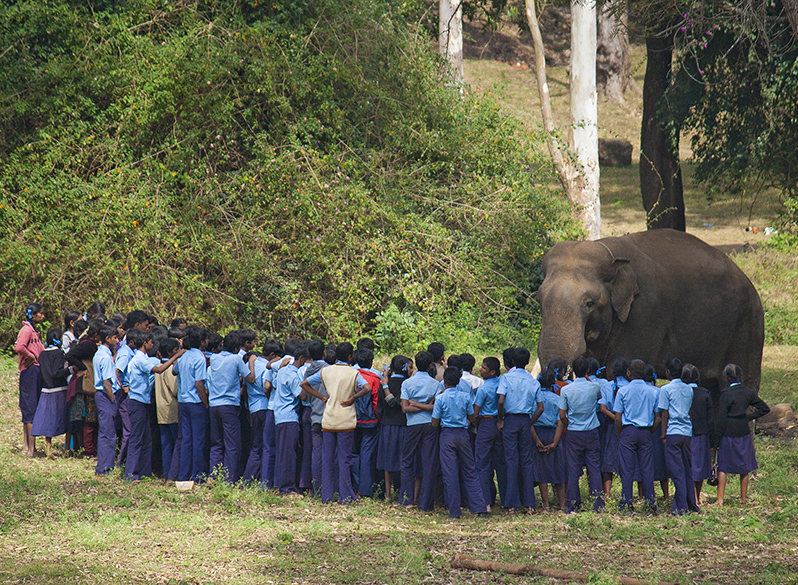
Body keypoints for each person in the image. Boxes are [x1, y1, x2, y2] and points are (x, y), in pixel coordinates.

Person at [301, 342, 372, 503]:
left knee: (327, 458)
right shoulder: (353, 373)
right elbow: (367, 387)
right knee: (345, 458)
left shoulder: (326, 371)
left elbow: (304, 384)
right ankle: (345, 495)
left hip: (328, 419)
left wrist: (322, 397)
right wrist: (353, 398)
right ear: (350, 357)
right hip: (346, 419)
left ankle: (326, 495)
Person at [125, 330, 184, 481]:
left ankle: (144, 472)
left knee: (146, 439)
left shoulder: (142, 358)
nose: (153, 344)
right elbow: (159, 370)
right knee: (137, 439)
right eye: (151, 342)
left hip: (143, 401)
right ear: (145, 343)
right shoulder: (140, 359)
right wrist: (176, 357)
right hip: (137, 401)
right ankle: (131, 474)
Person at [432, 366, 489, 518]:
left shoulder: (440, 398)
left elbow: (435, 423)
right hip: (463, 434)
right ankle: (479, 507)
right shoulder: (465, 397)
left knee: (450, 473)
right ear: (458, 381)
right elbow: (472, 417)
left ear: (444, 381)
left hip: (447, 435)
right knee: (470, 470)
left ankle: (454, 511)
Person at [549, 357, 603, 513]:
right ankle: (598, 504)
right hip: (591, 430)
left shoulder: (566, 389)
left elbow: (562, 414)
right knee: (594, 467)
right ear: (587, 370)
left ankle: (573, 504)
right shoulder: (595, 386)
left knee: (573, 469)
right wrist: (587, 378)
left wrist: (568, 424)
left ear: (572, 371)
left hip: (573, 431)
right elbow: (599, 399)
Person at [712, 364, 770, 505]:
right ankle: (743, 498)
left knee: (723, 466)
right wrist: (748, 417)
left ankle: (720, 499)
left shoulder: (725, 394)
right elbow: (764, 408)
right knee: (744, 467)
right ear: (740, 377)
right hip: (743, 431)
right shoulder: (748, 392)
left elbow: (721, 419)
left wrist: (716, 440)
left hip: (728, 431)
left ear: (727, 378)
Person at [206, 331, 256, 483]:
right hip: (229, 405)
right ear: (236, 348)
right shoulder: (236, 359)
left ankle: (213, 476)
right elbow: (250, 378)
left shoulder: (214, 358)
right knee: (232, 444)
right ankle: (229, 479)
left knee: (216, 443)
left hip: (214, 404)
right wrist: (252, 362)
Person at [614, 359, 660, 513]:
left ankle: (627, 504)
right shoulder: (653, 391)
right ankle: (650, 505)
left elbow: (617, 417)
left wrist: (620, 434)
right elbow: (658, 418)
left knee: (627, 470)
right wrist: (650, 432)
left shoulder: (623, 391)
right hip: (645, 431)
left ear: (629, 373)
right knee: (647, 469)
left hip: (628, 431)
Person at [497, 347, 539, 513]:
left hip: (510, 419)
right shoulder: (533, 381)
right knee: (527, 461)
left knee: (511, 460)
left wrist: (500, 420)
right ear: (528, 362)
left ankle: (512, 503)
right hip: (525, 420)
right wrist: (530, 422)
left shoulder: (506, 378)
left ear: (512, 361)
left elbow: (501, 401)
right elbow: (540, 407)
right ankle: (529, 503)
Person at [399, 351, 441, 510]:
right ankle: (425, 503)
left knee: (407, 461)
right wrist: (426, 407)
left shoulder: (407, 383)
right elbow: (435, 407)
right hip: (430, 424)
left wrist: (414, 404)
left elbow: (405, 408)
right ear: (430, 365)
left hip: (413, 425)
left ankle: (407, 499)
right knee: (429, 462)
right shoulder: (435, 384)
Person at [658, 358, 699, 515]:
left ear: (668, 372)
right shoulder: (689, 389)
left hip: (673, 432)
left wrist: (663, 435)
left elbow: (665, 413)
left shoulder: (665, 389)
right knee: (687, 470)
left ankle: (681, 507)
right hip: (686, 432)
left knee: (676, 472)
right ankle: (691, 503)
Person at [173, 326, 210, 483]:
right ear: (202, 342)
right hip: (196, 402)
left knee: (186, 439)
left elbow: (174, 371)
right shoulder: (199, 358)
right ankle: (197, 475)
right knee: (199, 440)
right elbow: (199, 384)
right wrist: (206, 403)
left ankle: (184, 474)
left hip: (183, 402)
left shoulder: (184, 356)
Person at [272, 343, 309, 495]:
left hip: (279, 415)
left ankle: (284, 485)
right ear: (301, 358)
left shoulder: (282, 371)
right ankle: (286, 488)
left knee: (284, 451)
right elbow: (302, 395)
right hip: (289, 416)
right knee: (289, 453)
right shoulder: (293, 375)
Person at [31, 328, 73, 458]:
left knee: (48, 420)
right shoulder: (59, 353)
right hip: (59, 390)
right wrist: (70, 370)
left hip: (46, 390)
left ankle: (48, 448)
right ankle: (67, 448)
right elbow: (57, 372)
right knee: (66, 418)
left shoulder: (42, 354)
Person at [472, 357, 506, 512]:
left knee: (482, 463)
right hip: (501, 423)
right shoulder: (502, 383)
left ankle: (486, 502)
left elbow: (476, 412)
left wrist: (475, 422)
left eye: (483, 368)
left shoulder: (483, 389)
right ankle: (505, 500)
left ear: (492, 372)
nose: (480, 369)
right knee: (501, 463)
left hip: (486, 423)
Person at [530, 368, 566, 510]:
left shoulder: (535, 400)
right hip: (553, 433)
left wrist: (537, 441)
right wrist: (555, 443)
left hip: (538, 433)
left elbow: (529, 422)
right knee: (558, 468)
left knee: (541, 470)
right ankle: (562, 503)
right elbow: (560, 422)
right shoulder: (558, 399)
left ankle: (545, 504)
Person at [377, 355, 411, 502]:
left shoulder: (385, 383)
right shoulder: (407, 384)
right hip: (403, 424)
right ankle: (402, 492)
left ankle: (387, 494)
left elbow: (379, 407)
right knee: (403, 459)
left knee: (388, 459)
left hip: (387, 425)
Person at [14, 303, 45, 457]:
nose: (43, 316)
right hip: (30, 371)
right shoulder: (26, 330)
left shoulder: (34, 330)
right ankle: (30, 449)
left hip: (36, 371)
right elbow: (19, 347)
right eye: (41, 313)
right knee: (29, 407)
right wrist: (31, 356)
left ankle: (28, 447)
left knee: (31, 407)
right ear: (33, 314)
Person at [354, 348, 381, 498]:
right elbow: (376, 402)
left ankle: (354, 486)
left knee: (353, 454)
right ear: (371, 362)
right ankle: (365, 490)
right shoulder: (375, 378)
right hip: (370, 421)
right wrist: (378, 418)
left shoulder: (352, 375)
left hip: (352, 419)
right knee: (367, 455)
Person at [599, 358, 628, 500]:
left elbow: (603, 408)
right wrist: (622, 420)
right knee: (627, 460)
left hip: (610, 425)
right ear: (627, 372)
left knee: (608, 459)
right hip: (627, 426)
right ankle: (626, 493)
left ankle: (607, 494)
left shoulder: (607, 386)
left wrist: (615, 418)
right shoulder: (629, 386)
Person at [93, 326, 120, 476]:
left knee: (105, 431)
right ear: (108, 339)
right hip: (105, 395)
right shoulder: (105, 357)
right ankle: (105, 468)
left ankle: (104, 466)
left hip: (101, 395)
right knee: (108, 434)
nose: (117, 340)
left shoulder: (100, 354)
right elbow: (106, 383)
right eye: (114, 338)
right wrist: (113, 400)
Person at [154, 337, 181, 480]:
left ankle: (166, 473)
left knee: (166, 444)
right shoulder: (169, 369)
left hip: (161, 409)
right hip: (172, 409)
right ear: (171, 352)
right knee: (176, 443)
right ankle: (173, 474)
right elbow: (175, 390)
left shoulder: (159, 366)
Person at [685, 364, 713, 503]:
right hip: (701, 433)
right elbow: (710, 418)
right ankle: (697, 494)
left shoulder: (682, 392)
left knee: (689, 465)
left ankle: (692, 496)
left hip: (686, 432)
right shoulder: (704, 394)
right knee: (700, 465)